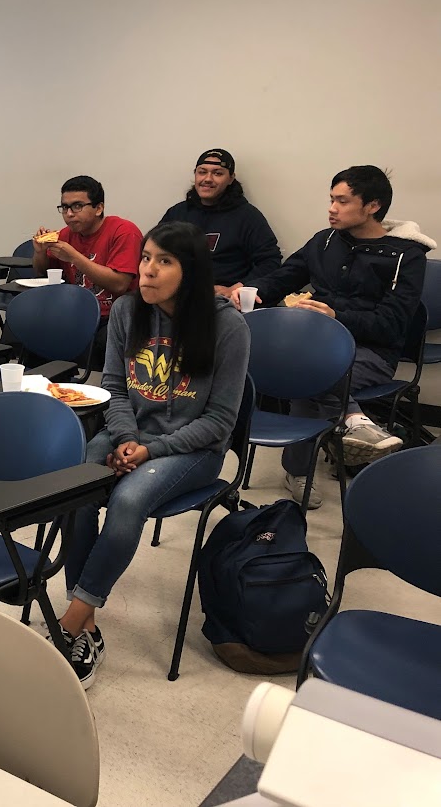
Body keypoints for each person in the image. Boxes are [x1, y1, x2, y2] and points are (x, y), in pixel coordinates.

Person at [59, 221, 251, 688]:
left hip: (195, 447)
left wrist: (149, 451)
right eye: (145, 258)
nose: (147, 271)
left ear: (192, 272)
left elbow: (220, 422)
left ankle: (70, 622)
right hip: (132, 433)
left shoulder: (227, 326)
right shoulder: (127, 311)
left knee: (127, 500)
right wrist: (127, 437)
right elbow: (114, 390)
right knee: (71, 487)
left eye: (163, 261)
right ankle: (84, 624)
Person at [231, 166, 432, 505]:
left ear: (372, 206)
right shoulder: (324, 241)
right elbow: (285, 277)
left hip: (371, 353)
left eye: (342, 201)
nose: (332, 208)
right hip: (311, 348)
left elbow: (392, 324)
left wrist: (338, 316)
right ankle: (354, 421)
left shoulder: (406, 256)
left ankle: (299, 472)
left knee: (304, 380)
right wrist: (251, 289)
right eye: (331, 199)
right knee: (304, 370)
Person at [33, 175, 143, 370]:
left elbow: (120, 283)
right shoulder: (67, 234)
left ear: (98, 208)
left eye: (77, 206)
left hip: (116, 314)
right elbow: (44, 271)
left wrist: (75, 257)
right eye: (64, 207)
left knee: (101, 340)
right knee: (34, 328)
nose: (69, 214)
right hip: (77, 311)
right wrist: (40, 252)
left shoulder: (124, 231)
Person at [160, 148, 282, 296]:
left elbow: (270, 262)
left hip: (224, 302)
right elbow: (156, 252)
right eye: (202, 172)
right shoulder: (177, 213)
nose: (208, 179)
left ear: (231, 179)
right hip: (177, 295)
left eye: (217, 173)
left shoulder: (248, 216)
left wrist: (237, 289)